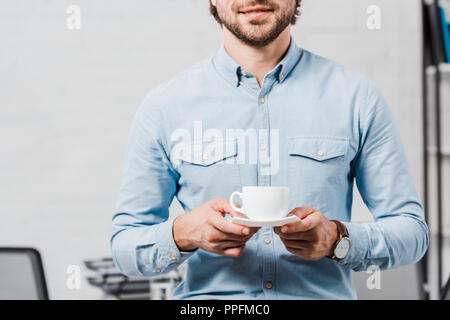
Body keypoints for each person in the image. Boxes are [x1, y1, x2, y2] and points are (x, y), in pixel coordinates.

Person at [111, 0, 429, 299]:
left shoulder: (357, 98)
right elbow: (125, 246)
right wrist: (184, 234)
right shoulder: (164, 106)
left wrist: (337, 240)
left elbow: (412, 233)